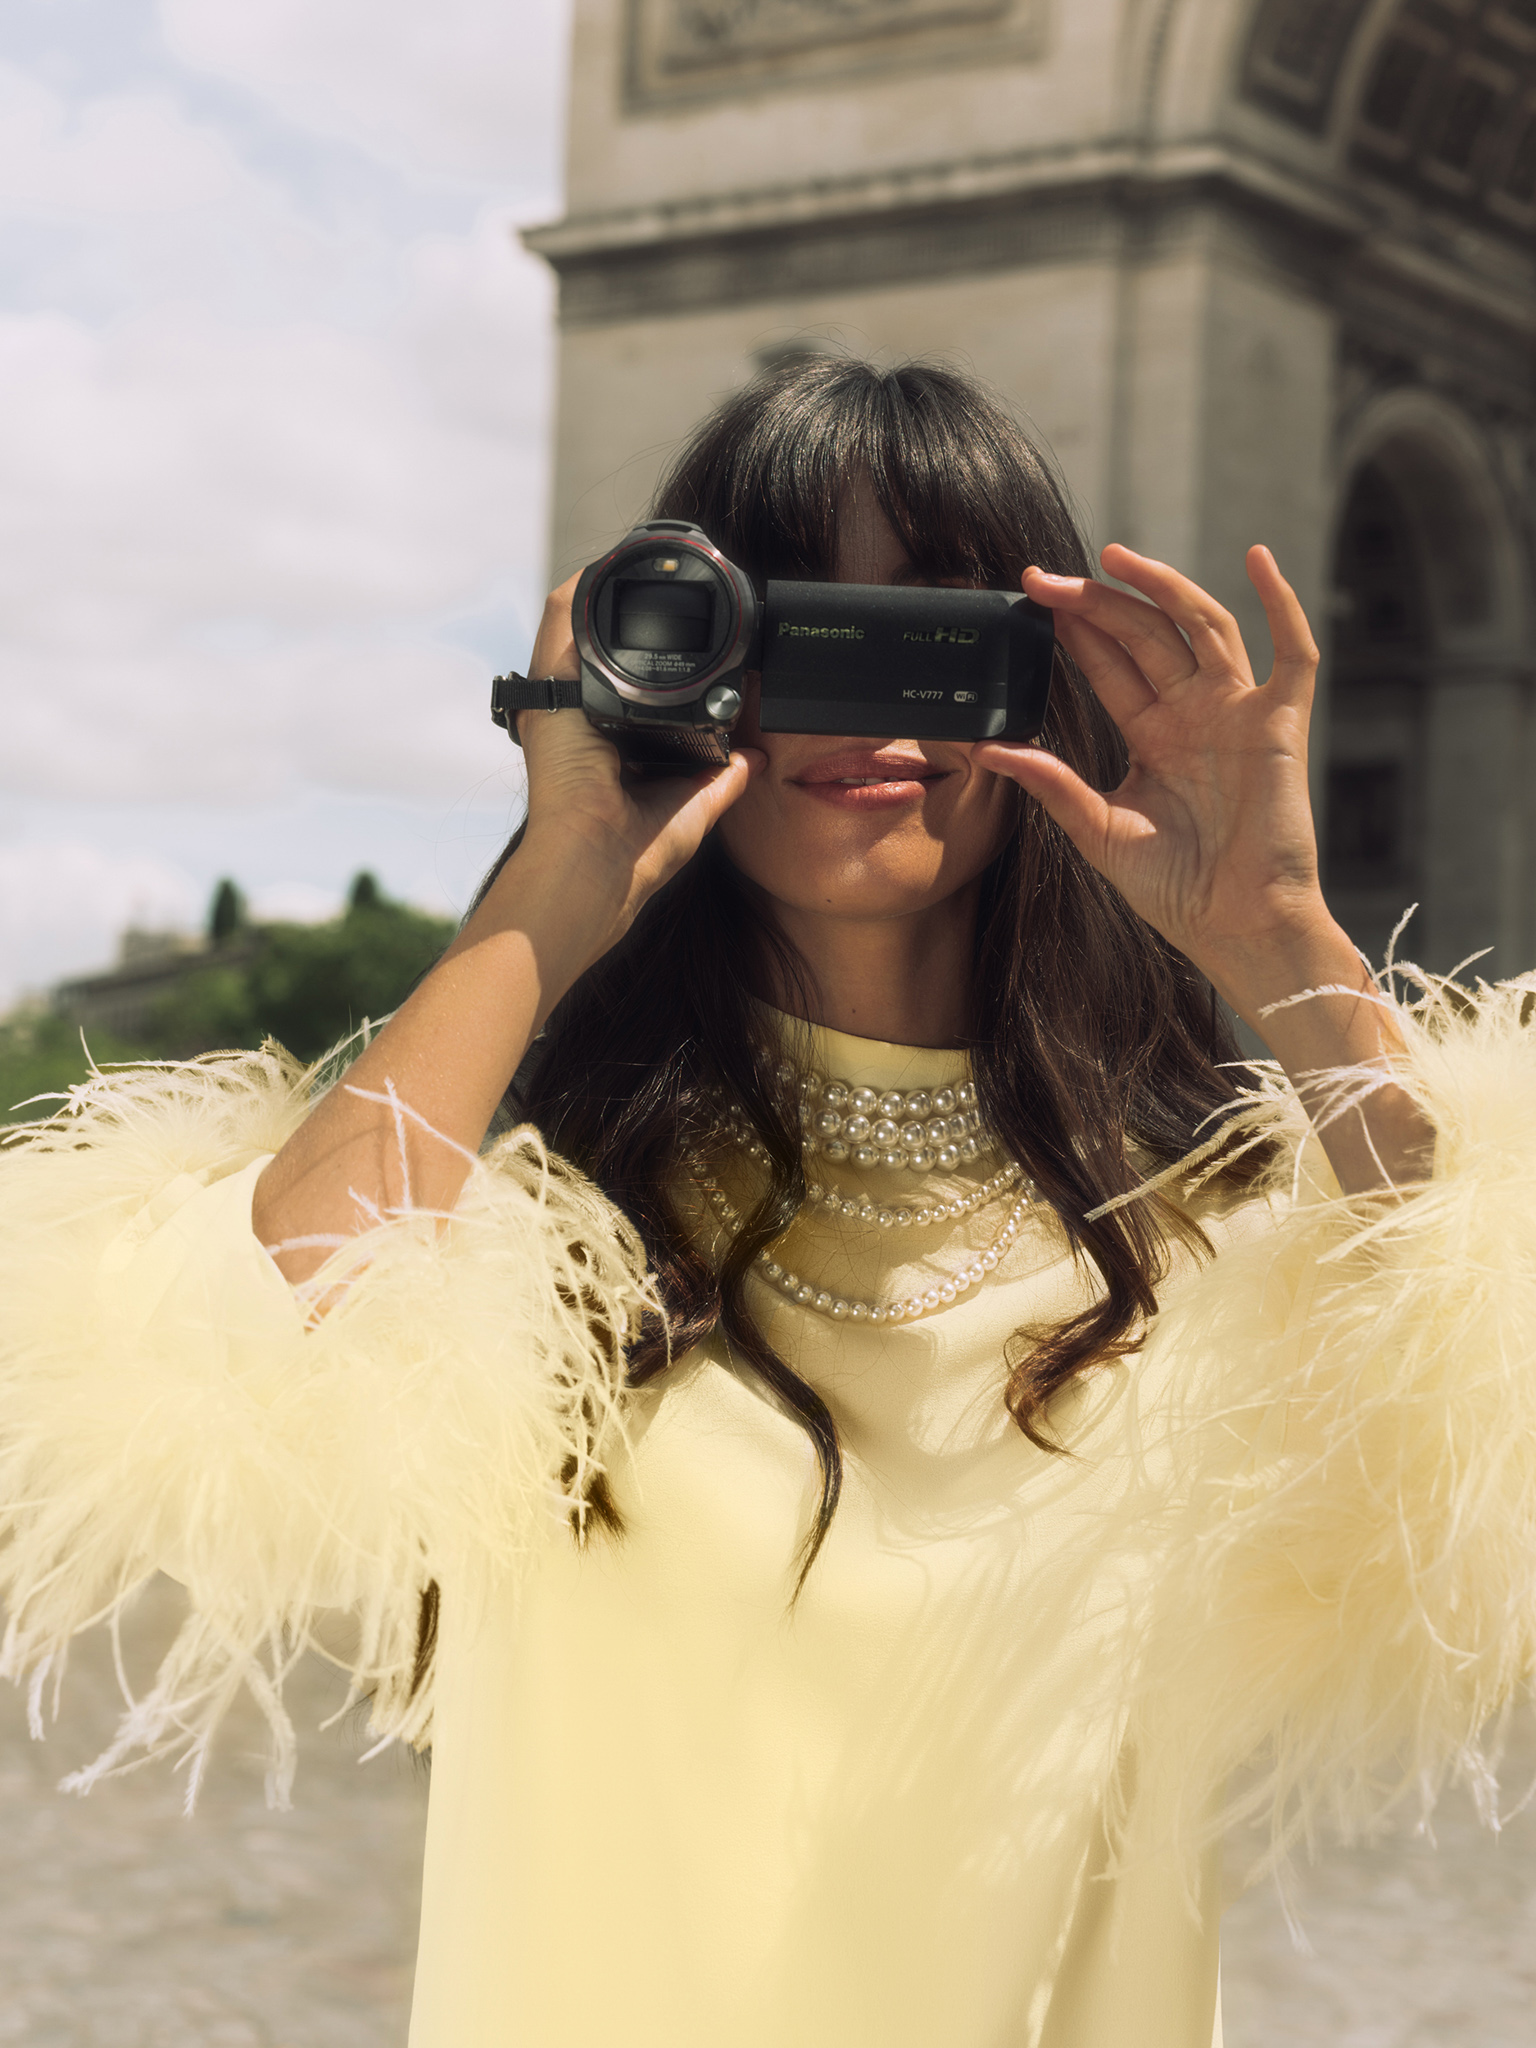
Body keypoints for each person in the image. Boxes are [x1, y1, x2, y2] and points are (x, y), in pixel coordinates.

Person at [3, 358, 1535, 2048]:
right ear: (684, 677)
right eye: (794, 637)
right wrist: (557, 877)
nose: (869, 711)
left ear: (1041, 684)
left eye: (938, 639)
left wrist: (1281, 944)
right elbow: (209, 1373)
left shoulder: (1214, 1247)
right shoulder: (527, 1252)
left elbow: (1496, 1430)